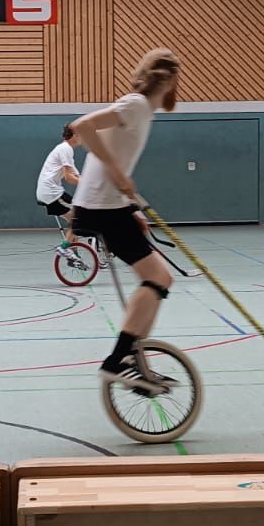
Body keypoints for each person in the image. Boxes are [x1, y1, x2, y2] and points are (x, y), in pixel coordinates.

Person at [69, 48, 180, 394]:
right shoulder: (135, 105)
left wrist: (129, 208)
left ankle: (133, 357)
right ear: (170, 80)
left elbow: (107, 153)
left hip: (109, 206)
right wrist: (117, 172)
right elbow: (82, 126)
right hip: (101, 207)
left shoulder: (143, 111)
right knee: (159, 276)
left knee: (159, 279)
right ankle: (119, 360)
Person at [36, 125, 82, 257]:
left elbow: (76, 176)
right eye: (80, 135)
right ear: (74, 136)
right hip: (52, 193)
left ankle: (75, 255)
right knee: (79, 218)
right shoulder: (65, 149)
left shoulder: (65, 150)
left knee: (75, 219)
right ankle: (64, 248)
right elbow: (69, 178)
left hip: (50, 192)